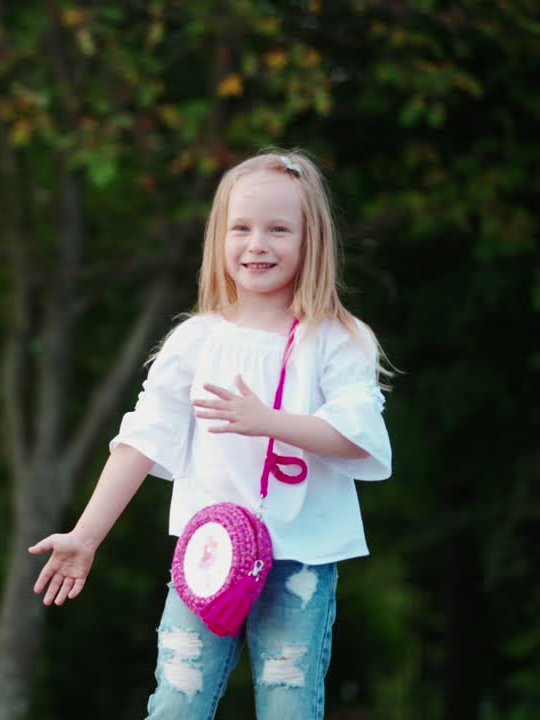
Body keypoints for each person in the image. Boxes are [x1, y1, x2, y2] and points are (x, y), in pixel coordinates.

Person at [29, 150, 391, 719]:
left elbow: (361, 440)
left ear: (311, 240)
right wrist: (86, 534)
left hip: (301, 559)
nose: (257, 244)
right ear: (218, 239)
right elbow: (142, 439)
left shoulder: (338, 339)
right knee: (176, 700)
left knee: (288, 703)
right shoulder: (195, 341)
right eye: (240, 228)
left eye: (278, 229)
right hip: (209, 557)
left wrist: (271, 423)